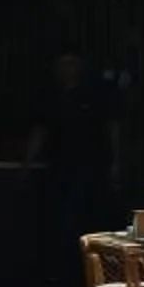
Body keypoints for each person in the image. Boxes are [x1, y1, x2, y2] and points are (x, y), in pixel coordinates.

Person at [29, 50, 112, 246]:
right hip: (58, 165)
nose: (67, 69)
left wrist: (114, 161)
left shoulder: (92, 96)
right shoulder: (50, 97)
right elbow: (40, 131)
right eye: (62, 64)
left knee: (81, 215)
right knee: (59, 216)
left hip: (88, 165)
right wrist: (27, 163)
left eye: (71, 63)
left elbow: (110, 127)